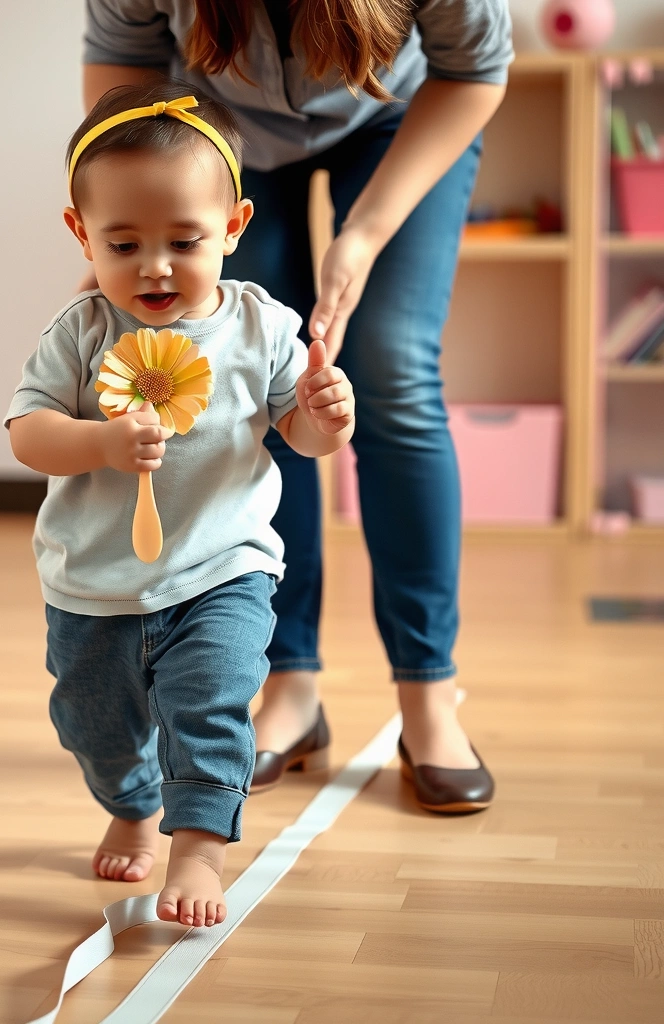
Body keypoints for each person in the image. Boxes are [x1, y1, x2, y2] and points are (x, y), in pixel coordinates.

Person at [81, 0, 509, 812]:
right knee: (250, 385)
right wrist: (131, 243)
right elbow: (121, 65)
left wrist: (366, 234)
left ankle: (428, 695)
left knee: (392, 370)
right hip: (216, 138)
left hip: (401, 118)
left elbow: (474, 67)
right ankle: (290, 685)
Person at [5, 81, 355, 927]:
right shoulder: (81, 331)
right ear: (81, 232)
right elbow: (27, 431)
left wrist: (323, 420)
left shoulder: (261, 326)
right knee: (94, 722)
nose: (153, 264)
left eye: (183, 239)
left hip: (222, 565)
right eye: (122, 243)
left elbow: (298, 439)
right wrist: (98, 441)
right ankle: (128, 801)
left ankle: (198, 845)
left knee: (214, 697)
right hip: (95, 581)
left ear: (234, 226)